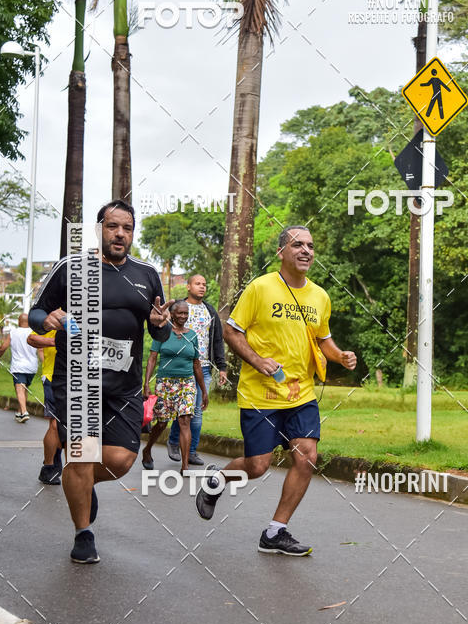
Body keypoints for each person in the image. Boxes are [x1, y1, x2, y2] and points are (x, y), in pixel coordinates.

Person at [196, 225, 357, 556]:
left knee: (307, 456)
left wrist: (339, 355)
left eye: (311, 246)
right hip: (261, 395)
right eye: (298, 244)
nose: (306, 251)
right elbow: (231, 331)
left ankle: (275, 531)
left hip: (301, 394)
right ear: (281, 252)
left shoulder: (320, 296)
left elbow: (322, 338)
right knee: (257, 467)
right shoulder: (260, 288)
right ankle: (216, 481)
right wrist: (257, 361)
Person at [29, 200, 173, 564]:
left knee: (123, 459)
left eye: (127, 228)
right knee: (82, 454)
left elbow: (161, 333)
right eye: (112, 226)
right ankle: (84, 533)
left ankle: (82, 482)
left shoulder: (146, 274)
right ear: (99, 230)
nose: (120, 234)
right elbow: (35, 313)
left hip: (123, 385)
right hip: (76, 379)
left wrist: (160, 325)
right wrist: (49, 319)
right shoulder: (71, 268)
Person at [166, 274, 227, 466]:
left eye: (204, 284)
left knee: (196, 413)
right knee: (183, 411)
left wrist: (222, 367)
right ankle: (174, 442)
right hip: (181, 368)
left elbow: (217, 340)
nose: (202, 287)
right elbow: (164, 335)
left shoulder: (210, 311)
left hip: (204, 368)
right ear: (188, 286)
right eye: (197, 284)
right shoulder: (176, 308)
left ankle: (191, 451)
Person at [142, 300, 208, 473]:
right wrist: (146, 383)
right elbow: (152, 358)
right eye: (180, 313)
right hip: (165, 382)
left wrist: (204, 391)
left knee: (185, 420)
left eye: (186, 313)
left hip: (187, 383)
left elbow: (196, 364)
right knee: (162, 423)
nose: (183, 316)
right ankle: (147, 449)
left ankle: (185, 466)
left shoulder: (192, 335)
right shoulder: (162, 333)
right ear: (171, 313)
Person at [26, 328, 63, 484]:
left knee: (76, 424)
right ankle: (48, 467)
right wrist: (56, 342)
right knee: (55, 424)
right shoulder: (55, 314)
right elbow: (32, 339)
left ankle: (59, 459)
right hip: (53, 378)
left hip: (81, 380)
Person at [0, 313, 39, 422]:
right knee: (24, 389)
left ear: (19, 322)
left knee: (19, 388)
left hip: (19, 366)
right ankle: (20, 413)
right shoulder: (34, 332)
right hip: (32, 367)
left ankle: (24, 412)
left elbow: (3, 347)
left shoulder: (14, 332)